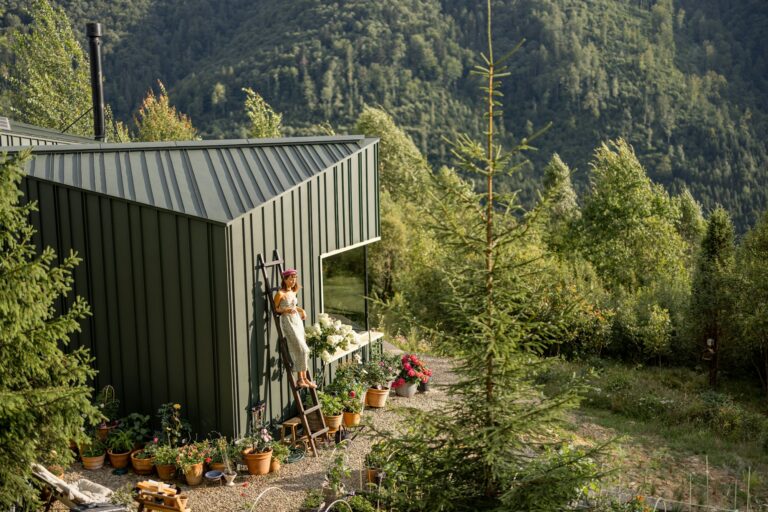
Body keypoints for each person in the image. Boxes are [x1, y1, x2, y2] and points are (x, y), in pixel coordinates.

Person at [274, 268, 316, 388]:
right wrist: (284, 310)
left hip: (297, 321)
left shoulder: (293, 291)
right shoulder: (280, 294)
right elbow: (275, 309)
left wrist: (301, 310)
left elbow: (293, 305)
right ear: (285, 279)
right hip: (288, 322)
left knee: (303, 349)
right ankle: (300, 379)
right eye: (291, 279)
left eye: (294, 279)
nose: (293, 281)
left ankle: (304, 378)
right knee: (302, 349)